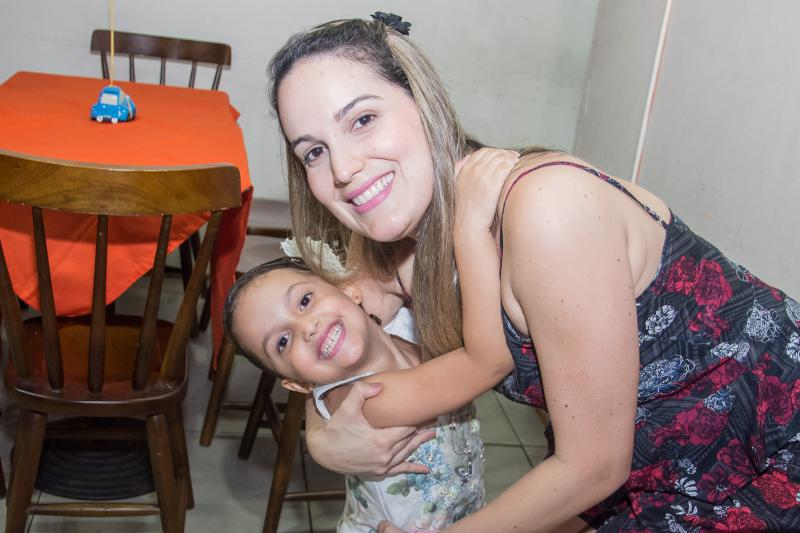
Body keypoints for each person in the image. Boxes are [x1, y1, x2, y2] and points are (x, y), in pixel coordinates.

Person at [266, 12, 800, 533]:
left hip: (770, 456)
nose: (343, 169)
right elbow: (329, 342)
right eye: (314, 152)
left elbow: (593, 466)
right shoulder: (391, 244)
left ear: (422, 101)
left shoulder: (546, 209)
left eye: (362, 120)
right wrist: (323, 437)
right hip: (657, 469)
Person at [224, 150, 517, 532]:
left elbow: (394, 243)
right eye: (282, 342)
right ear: (297, 384)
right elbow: (489, 360)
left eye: (305, 300)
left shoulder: (401, 326)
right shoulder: (369, 400)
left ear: (349, 289)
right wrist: (471, 227)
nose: (306, 327)